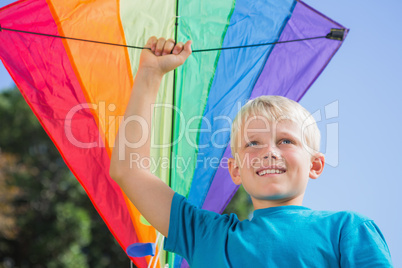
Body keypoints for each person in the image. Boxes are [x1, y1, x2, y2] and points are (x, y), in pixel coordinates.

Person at [109, 37, 393, 267]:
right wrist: (149, 74)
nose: (269, 151)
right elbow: (128, 170)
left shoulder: (347, 230)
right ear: (235, 169)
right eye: (253, 143)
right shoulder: (204, 236)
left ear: (315, 165)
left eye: (286, 141)